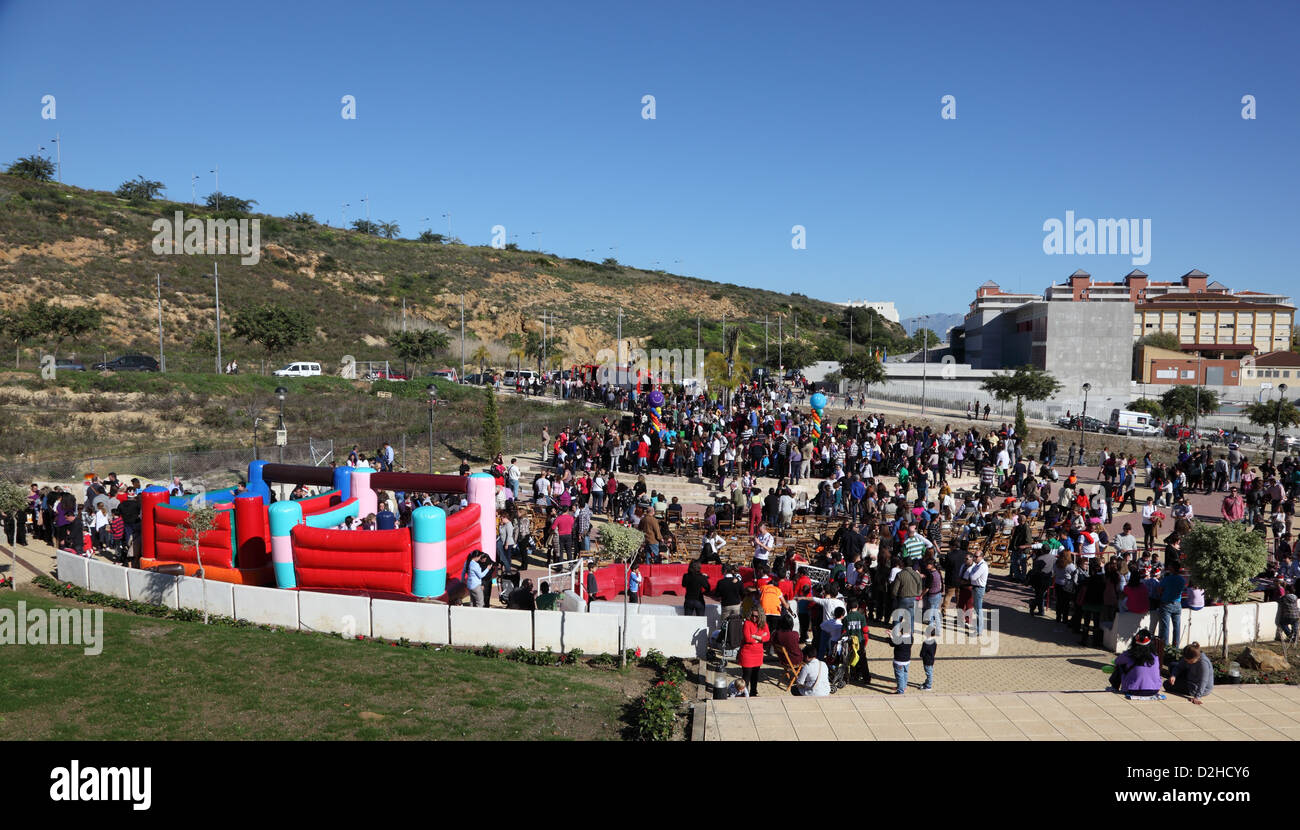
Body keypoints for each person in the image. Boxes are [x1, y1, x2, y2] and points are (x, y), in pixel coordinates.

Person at [1110, 629, 1165, 699]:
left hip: (1134, 690)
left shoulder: (1129, 654)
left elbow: (1117, 661)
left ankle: (1114, 687)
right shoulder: (1155, 656)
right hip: (1154, 690)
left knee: (1120, 665)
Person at [739, 606, 770, 695]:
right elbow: (747, 639)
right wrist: (761, 638)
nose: (754, 618)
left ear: (760, 616)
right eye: (752, 615)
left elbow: (767, 637)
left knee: (755, 676)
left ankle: (753, 692)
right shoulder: (747, 623)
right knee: (746, 676)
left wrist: (755, 637)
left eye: (756, 616)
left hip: (758, 653)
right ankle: (744, 693)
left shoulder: (763, 624)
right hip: (747, 653)